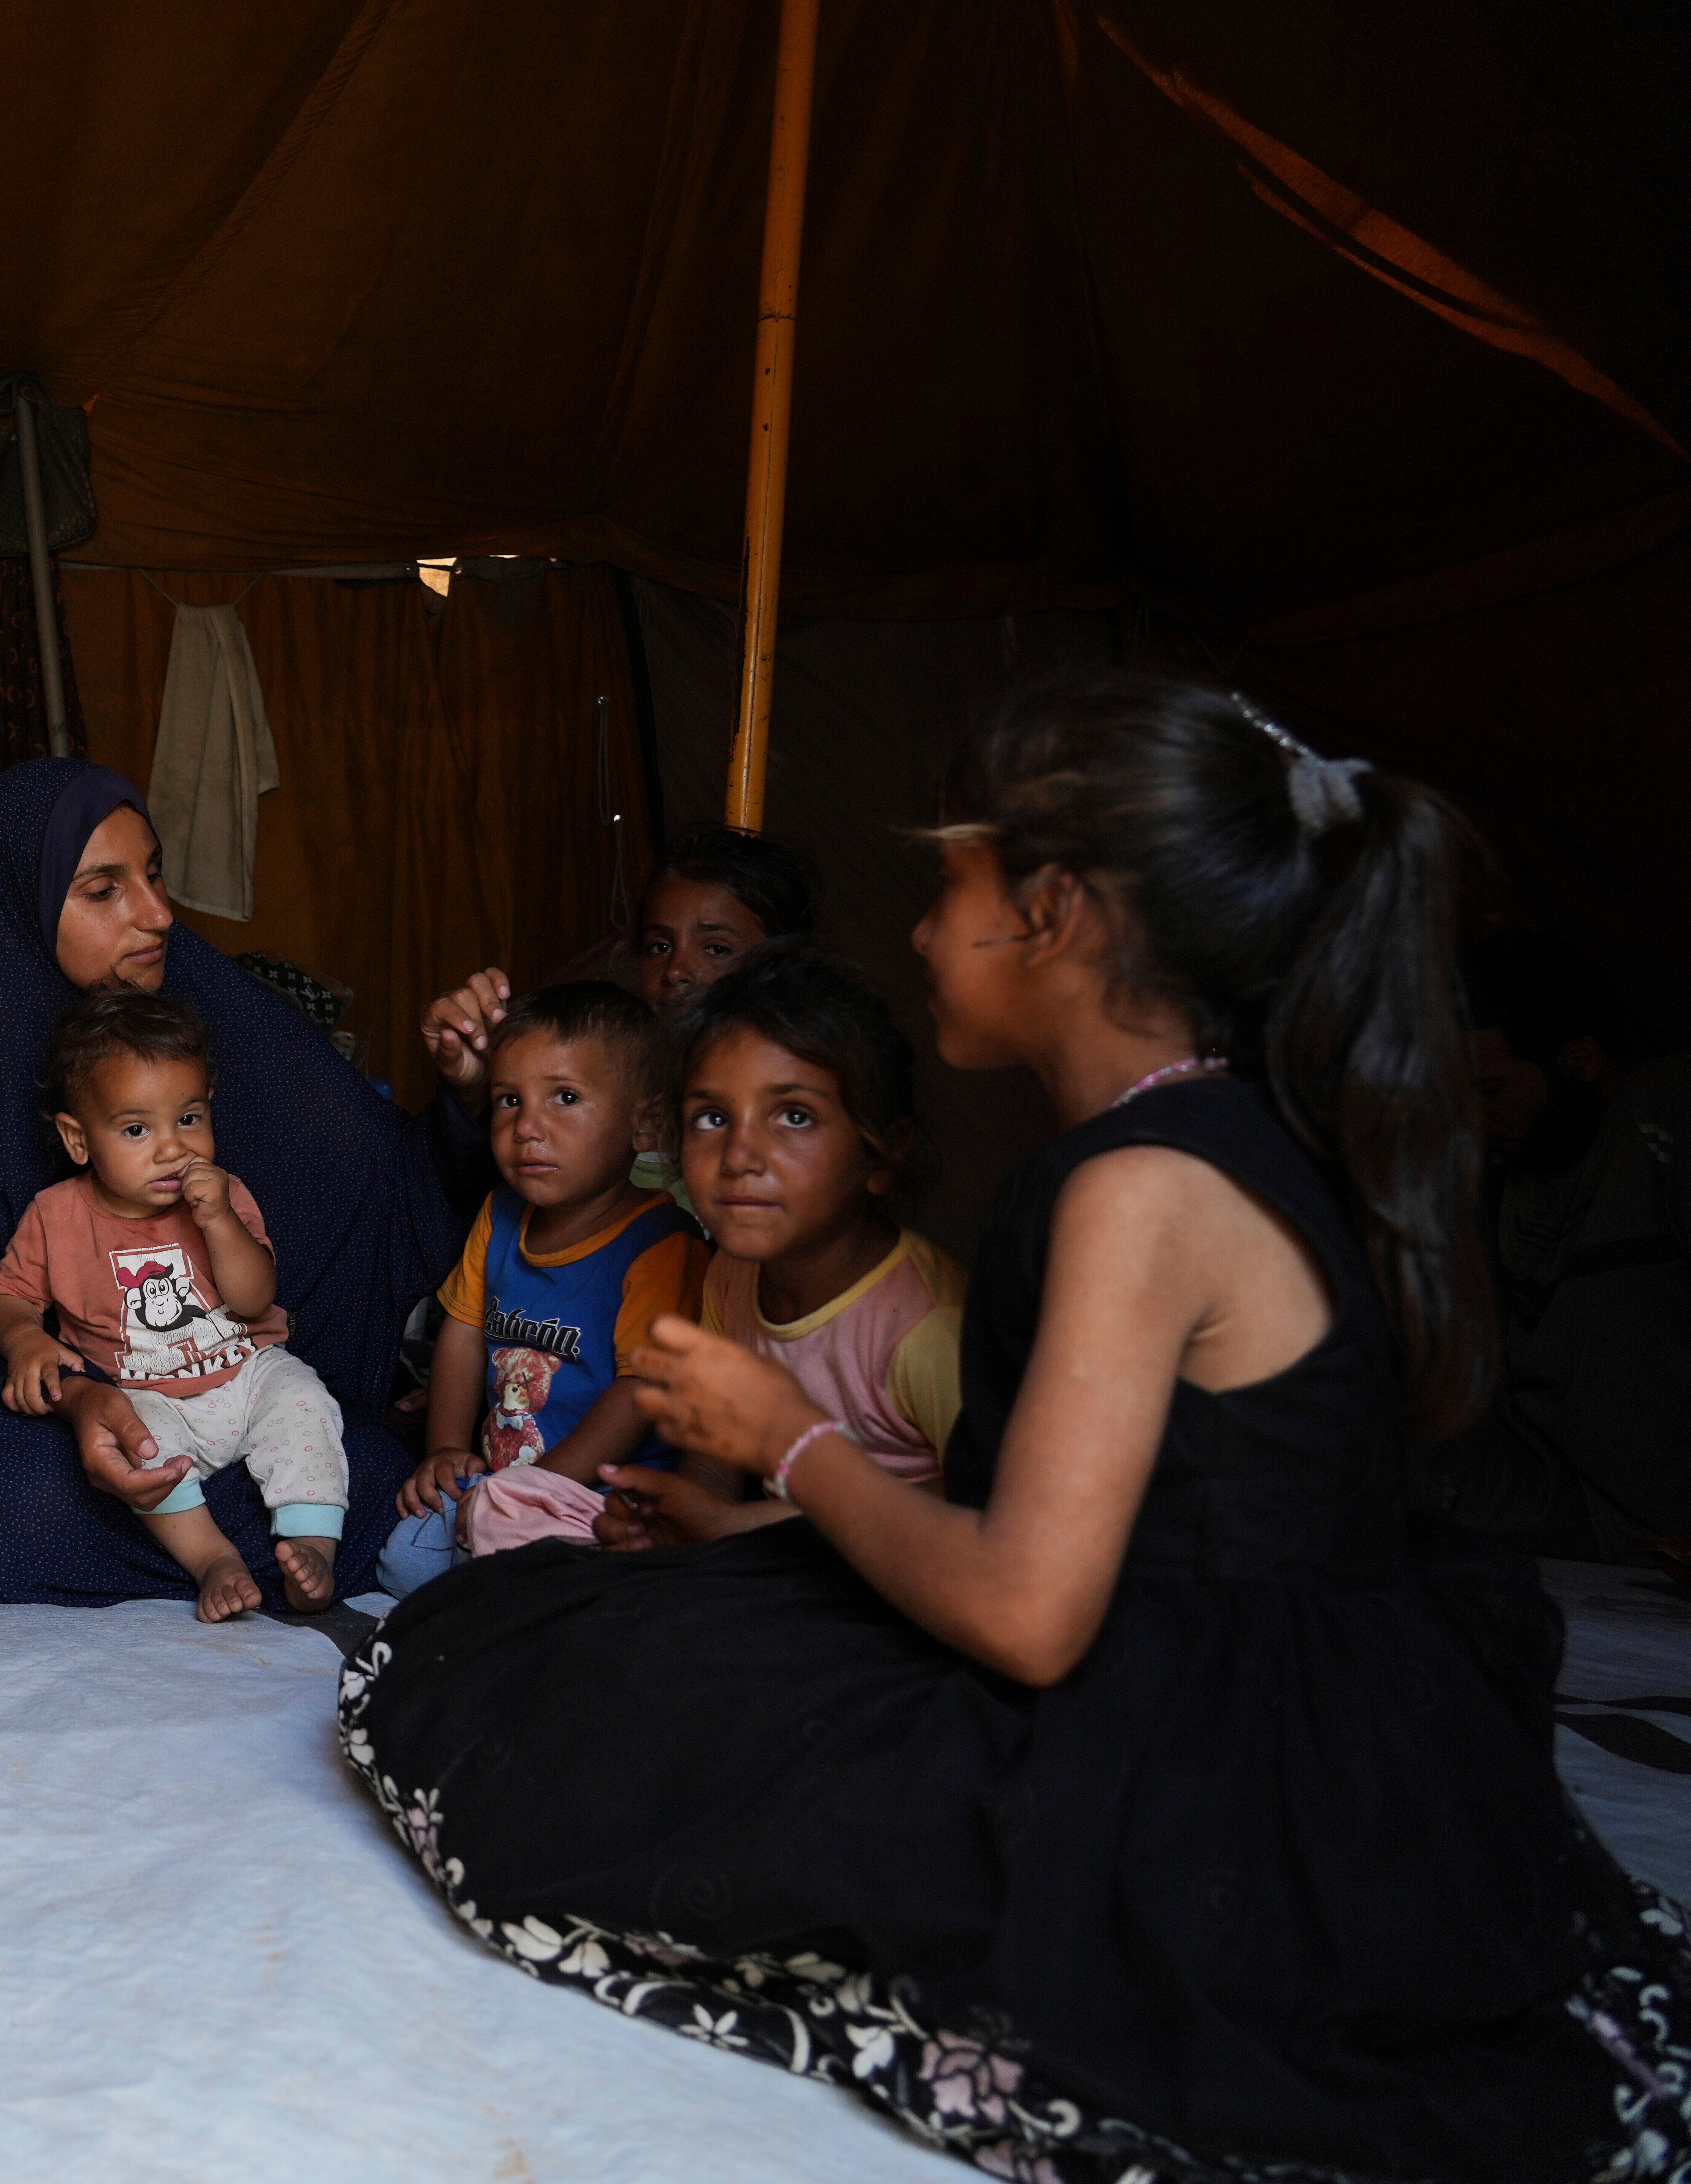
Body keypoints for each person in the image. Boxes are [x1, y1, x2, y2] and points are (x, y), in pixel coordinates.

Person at [341, 676, 1691, 2179]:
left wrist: (788, 1435)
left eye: (953, 887)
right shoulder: (1220, 1131)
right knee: (616, 1621)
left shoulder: (1138, 1190)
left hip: (1216, 1743)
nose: (920, 931)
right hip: (1278, 1669)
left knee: (594, 1696)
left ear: (1059, 912)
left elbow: (1033, 1618)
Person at [0, 758, 451, 1608]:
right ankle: (238, 1548)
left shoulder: (211, 1027)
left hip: (230, 1390)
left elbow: (383, 1176)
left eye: (152, 876)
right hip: (55, 1415)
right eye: (103, 891)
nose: (157, 915)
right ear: (23, 902)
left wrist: (473, 1095)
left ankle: (239, 1536)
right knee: (4, 1506)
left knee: (369, 1457)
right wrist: (78, 1397)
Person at [495, 941, 961, 1553]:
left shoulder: (929, 1331)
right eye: (713, 1118)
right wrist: (682, 1523)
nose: (739, 1157)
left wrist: (732, 1529)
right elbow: (717, 1461)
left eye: (794, 1117)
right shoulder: (731, 1278)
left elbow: (987, 1529)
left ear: (880, 1156)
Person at [0, 989, 350, 1619]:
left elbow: (255, 1296)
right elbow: (7, 1297)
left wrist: (220, 1224)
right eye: (136, 1129)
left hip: (246, 1371)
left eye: (189, 1119)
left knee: (305, 1403)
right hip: (150, 1396)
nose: (171, 1148)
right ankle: (214, 1559)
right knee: (138, 1444)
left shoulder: (225, 1192)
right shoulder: (57, 1215)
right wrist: (23, 1338)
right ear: (79, 1140)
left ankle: (311, 1551)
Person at [374, 982, 701, 1594]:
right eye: (507, 1101)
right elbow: (463, 1336)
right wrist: (445, 1451)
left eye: (566, 1098)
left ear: (645, 1124)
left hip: (604, 1500)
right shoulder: (500, 1216)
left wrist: (530, 1491)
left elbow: (638, 1393)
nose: (528, 1128)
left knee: (545, 1578)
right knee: (404, 1563)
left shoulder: (660, 1244)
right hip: (499, 1486)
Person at [1405, 937, 1689, 1564]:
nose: (1479, 1115)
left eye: (1493, 1088)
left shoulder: (1664, 1111)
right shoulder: (1507, 1168)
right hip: (1552, 1486)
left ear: (1580, 1061)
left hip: (1652, 1507)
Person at [419, 827, 820, 1211]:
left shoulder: (806, 1113)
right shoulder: (608, 1082)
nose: (677, 969)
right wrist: (473, 1094)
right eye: (659, 946)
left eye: (716, 949)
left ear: (780, 964)